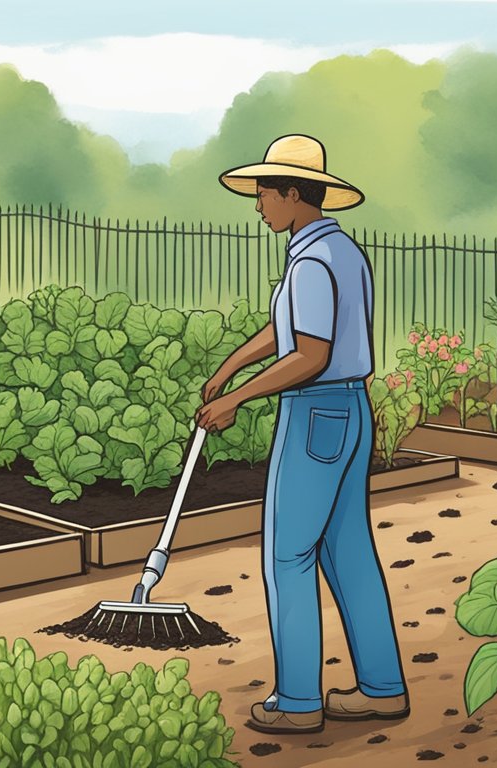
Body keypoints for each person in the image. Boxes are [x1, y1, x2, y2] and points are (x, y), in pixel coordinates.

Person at [194, 134, 408, 735]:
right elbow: (286, 329)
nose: (258, 205)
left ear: (293, 194)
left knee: (288, 556)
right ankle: (383, 688)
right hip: (351, 411)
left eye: (264, 193)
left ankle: (296, 702)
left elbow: (310, 354)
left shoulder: (311, 260)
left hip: (314, 412)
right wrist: (230, 365)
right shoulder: (337, 251)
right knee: (350, 553)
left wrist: (238, 398)